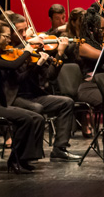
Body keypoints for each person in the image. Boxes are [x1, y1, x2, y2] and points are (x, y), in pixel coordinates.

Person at [0, 19, 47, 172]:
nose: (8, 39)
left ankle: (25, 159)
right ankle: (14, 161)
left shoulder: (1, 57)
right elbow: (14, 65)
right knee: (25, 119)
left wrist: (36, 66)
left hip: (0, 105)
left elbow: (18, 79)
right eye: (5, 36)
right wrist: (27, 50)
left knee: (38, 118)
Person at [8, 14, 81, 162]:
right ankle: (30, 153)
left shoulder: (32, 49)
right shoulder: (9, 50)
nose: (23, 35)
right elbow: (16, 72)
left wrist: (59, 53)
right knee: (36, 108)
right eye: (20, 32)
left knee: (66, 102)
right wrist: (27, 45)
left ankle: (59, 149)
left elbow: (50, 76)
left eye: (24, 31)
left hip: (34, 94)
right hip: (15, 97)